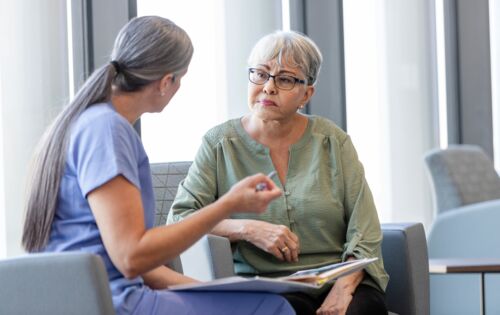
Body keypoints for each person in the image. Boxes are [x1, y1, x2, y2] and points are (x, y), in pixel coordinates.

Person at [21, 16, 295, 315]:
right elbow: (131, 257)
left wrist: (207, 290)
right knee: (272, 307)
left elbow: (130, 262)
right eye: (181, 79)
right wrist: (228, 204)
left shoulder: (89, 123)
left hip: (99, 295)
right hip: (116, 303)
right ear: (166, 82)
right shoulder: (108, 131)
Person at [168, 30, 389, 315]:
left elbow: (365, 229)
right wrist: (247, 229)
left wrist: (343, 289)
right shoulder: (219, 144)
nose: (268, 87)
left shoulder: (333, 141)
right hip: (265, 285)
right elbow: (179, 220)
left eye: (284, 79)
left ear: (306, 93)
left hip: (338, 280)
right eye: (260, 74)